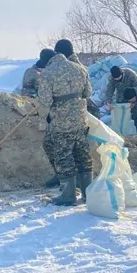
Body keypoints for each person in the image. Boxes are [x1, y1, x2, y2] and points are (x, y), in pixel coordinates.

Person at [38, 39, 93, 205]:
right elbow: (88, 93)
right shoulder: (80, 68)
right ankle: (88, 194)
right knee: (83, 156)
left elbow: (45, 101)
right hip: (81, 121)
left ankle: (68, 196)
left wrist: (43, 119)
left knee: (63, 157)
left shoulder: (48, 73)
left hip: (62, 124)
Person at [105, 66, 137, 133]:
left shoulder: (131, 75)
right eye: (115, 78)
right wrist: (108, 102)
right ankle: (120, 134)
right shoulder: (112, 78)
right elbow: (109, 90)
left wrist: (134, 101)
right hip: (120, 98)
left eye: (118, 77)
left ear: (122, 73)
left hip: (132, 97)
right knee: (119, 118)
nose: (117, 79)